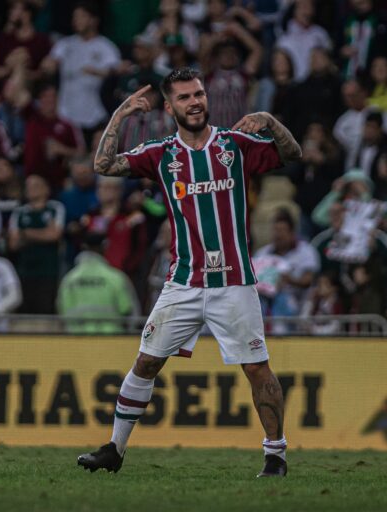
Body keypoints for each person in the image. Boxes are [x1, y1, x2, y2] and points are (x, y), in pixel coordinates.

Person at [77, 68, 302, 477]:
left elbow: (293, 155)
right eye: (184, 97)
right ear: (170, 107)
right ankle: (114, 449)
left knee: (256, 368)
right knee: (145, 363)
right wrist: (122, 115)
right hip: (182, 281)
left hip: (234, 281)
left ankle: (276, 455)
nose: (194, 102)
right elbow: (104, 164)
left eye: (198, 94)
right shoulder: (162, 154)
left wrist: (269, 121)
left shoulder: (235, 144)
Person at [41, 2, 120, 136]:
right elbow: (49, 64)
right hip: (66, 116)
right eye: (75, 17)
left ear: (94, 20)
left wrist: (98, 71)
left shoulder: (106, 47)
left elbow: (115, 71)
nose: (76, 21)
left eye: (81, 17)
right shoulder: (65, 44)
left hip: (94, 117)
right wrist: (48, 65)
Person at [56, 233, 139, 334]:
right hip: (112, 340)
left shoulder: (69, 279)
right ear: (104, 247)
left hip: (76, 340)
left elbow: (62, 311)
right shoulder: (115, 277)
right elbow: (128, 312)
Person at [9, 174, 65, 314]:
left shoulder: (55, 208)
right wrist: (43, 233)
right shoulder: (19, 212)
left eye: (35, 185)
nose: (31, 189)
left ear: (46, 189)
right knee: (26, 310)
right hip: (25, 270)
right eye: (28, 186)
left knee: (46, 309)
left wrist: (26, 233)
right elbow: (13, 243)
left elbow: (54, 235)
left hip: (49, 270)